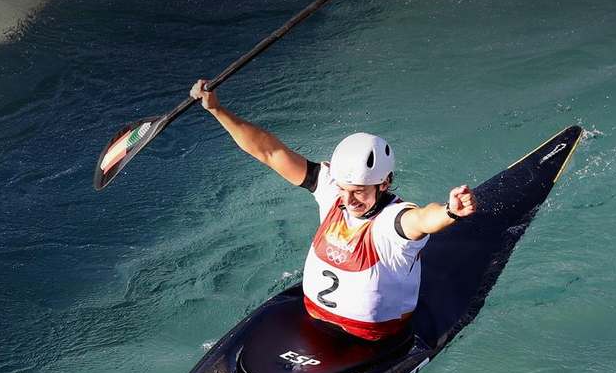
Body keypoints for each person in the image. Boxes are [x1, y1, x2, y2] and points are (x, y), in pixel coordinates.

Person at [190, 80, 477, 341]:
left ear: (384, 183)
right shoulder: (331, 191)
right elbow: (269, 152)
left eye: (359, 192)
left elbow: (424, 219)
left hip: (370, 339)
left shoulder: (393, 220)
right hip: (314, 319)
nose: (348, 201)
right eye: (343, 188)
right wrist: (217, 110)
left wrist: (450, 212)